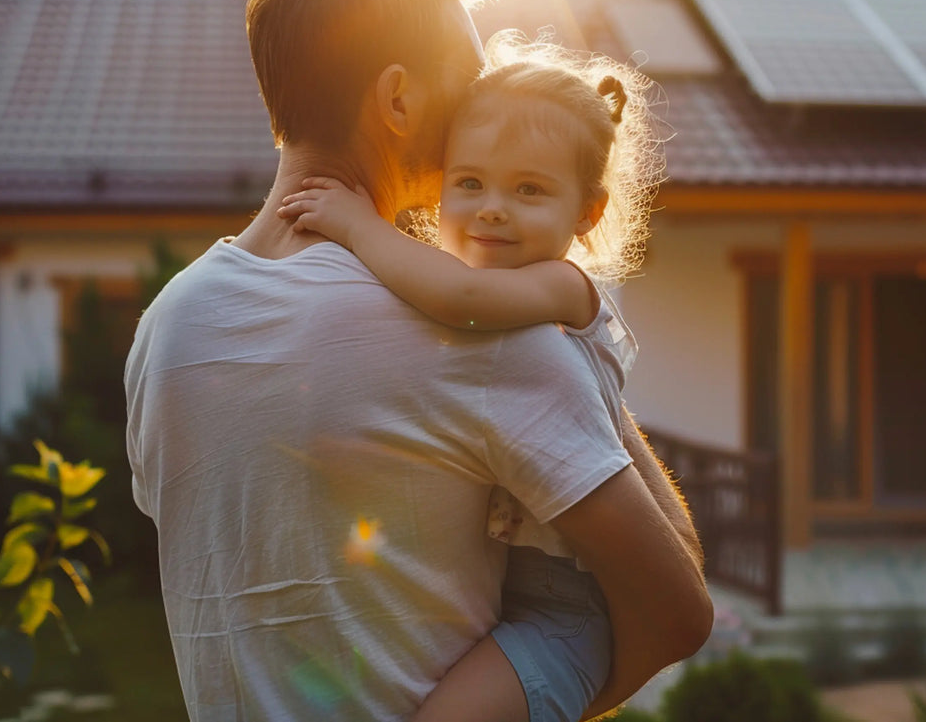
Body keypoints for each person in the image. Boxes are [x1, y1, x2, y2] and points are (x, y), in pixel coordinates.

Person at [124, 0, 712, 722]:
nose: (484, 104)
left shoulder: (163, 332)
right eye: (468, 79)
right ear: (397, 99)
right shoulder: (479, 338)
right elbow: (679, 609)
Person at [276, 38, 664, 722]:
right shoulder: (468, 286)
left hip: (565, 611)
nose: (491, 208)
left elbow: (460, 299)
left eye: (530, 190)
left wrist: (360, 225)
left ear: (587, 213)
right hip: (496, 595)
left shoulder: (563, 289)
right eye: (470, 182)